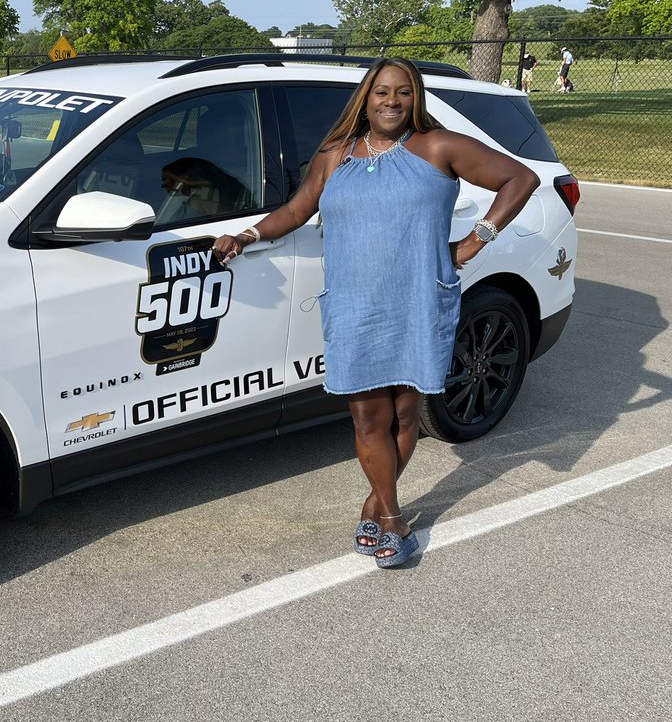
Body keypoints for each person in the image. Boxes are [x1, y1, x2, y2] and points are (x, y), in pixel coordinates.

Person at [212, 58, 539, 568]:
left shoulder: (439, 146)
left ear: (416, 98)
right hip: (354, 302)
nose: (392, 101)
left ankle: (377, 506)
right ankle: (392, 518)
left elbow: (519, 178)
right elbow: (298, 211)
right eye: (382, 91)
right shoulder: (335, 154)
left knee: (406, 413)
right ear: (365, 98)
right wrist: (248, 234)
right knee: (369, 415)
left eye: (403, 92)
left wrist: (477, 241)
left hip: (419, 298)